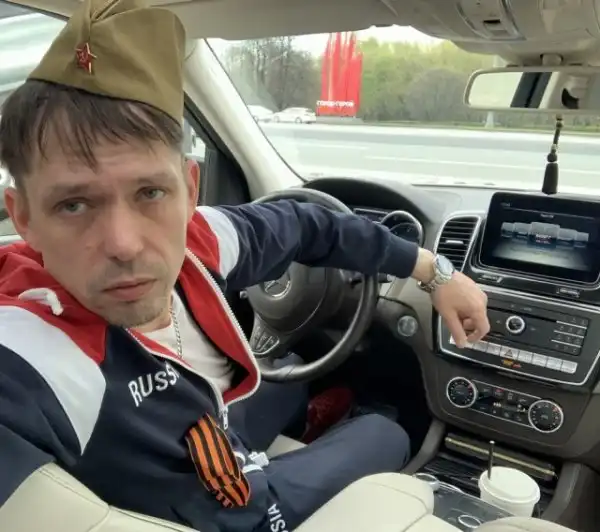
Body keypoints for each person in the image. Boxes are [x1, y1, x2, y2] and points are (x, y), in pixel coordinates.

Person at [0, 0, 490, 530]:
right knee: (386, 430)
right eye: (74, 205)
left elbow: (306, 224)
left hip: (207, 420)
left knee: (291, 369)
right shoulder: (28, 349)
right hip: (229, 512)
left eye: (150, 193)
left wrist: (433, 271)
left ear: (189, 191)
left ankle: (297, 432)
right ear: (23, 217)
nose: (123, 244)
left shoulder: (202, 239)